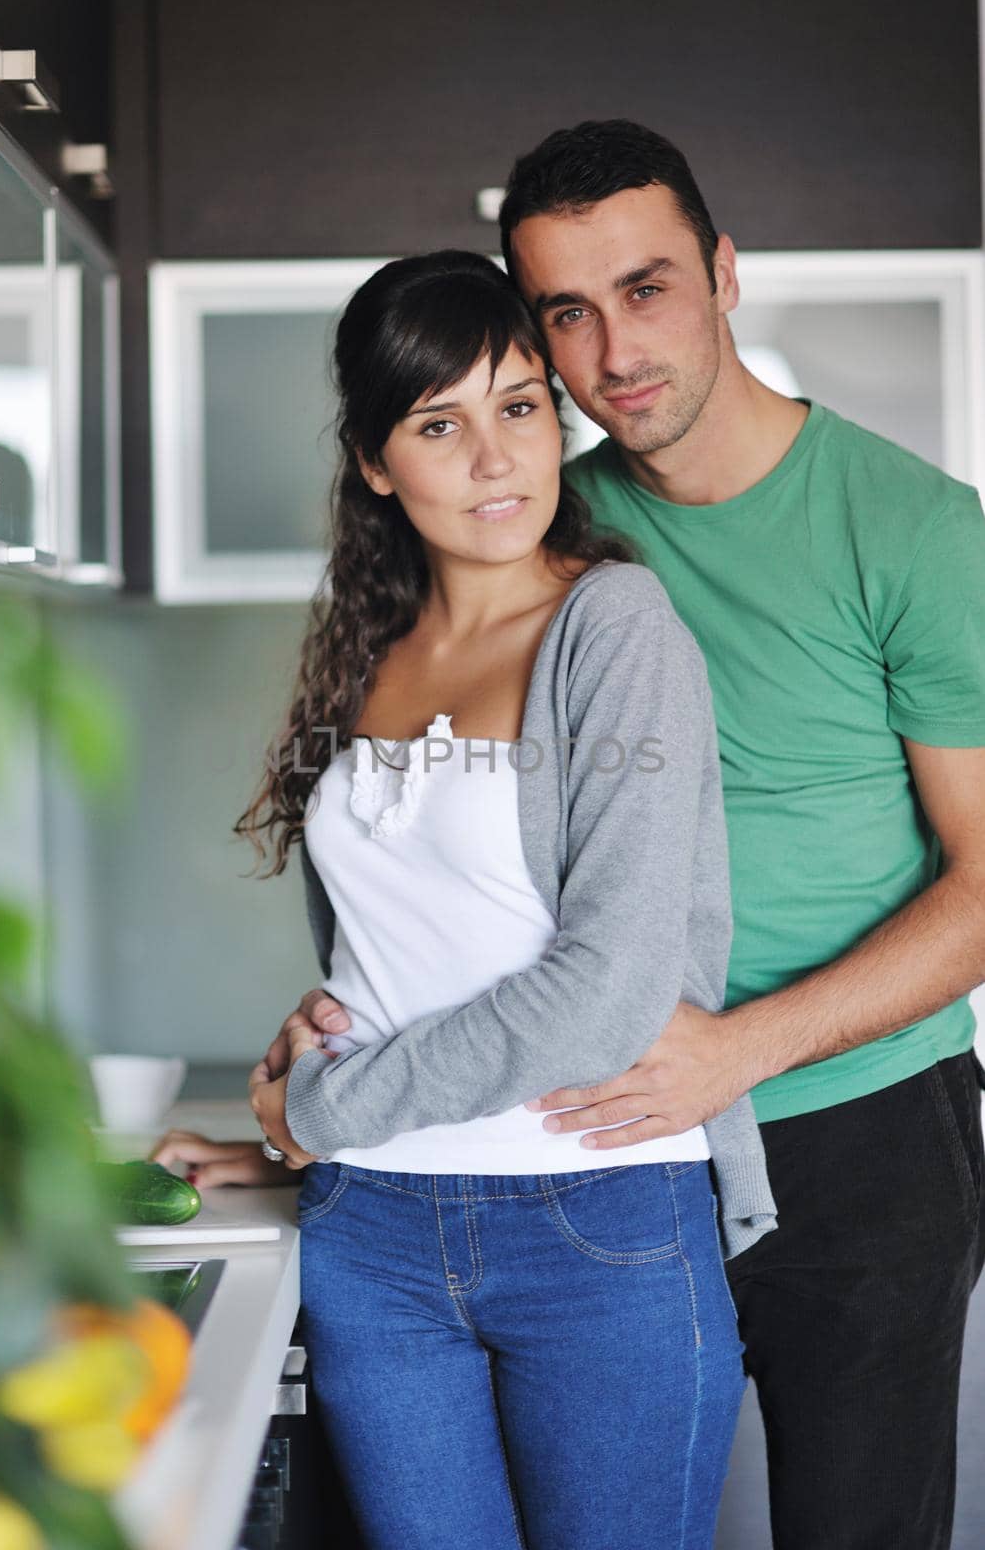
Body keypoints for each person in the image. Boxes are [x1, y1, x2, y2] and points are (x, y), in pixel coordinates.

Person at [272, 120, 985, 1550]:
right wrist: (341, 1023)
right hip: (594, 1144)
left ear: (723, 274)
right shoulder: (532, 512)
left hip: (853, 1122)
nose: (611, 354)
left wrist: (741, 1045)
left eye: (647, 288)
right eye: (565, 317)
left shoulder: (911, 530)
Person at [159, 249, 775, 1550]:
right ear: (377, 461)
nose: (495, 458)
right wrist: (287, 1152)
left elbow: (602, 997)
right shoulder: (372, 646)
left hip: (594, 1226)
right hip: (369, 1230)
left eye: (517, 407)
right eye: (439, 423)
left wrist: (315, 1108)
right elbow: (407, 946)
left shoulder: (614, 631)